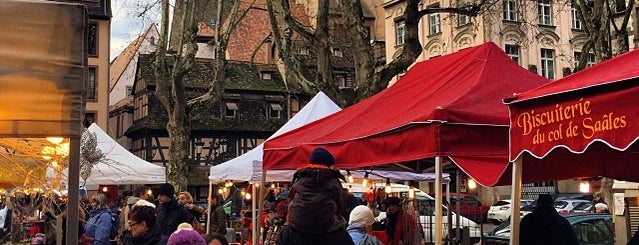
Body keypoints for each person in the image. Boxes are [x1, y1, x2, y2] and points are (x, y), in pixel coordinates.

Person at [276, 147, 355, 245]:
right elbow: (341, 206)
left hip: (296, 228)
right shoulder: (333, 181)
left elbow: (290, 199)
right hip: (329, 229)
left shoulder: (300, 179)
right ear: (329, 165)